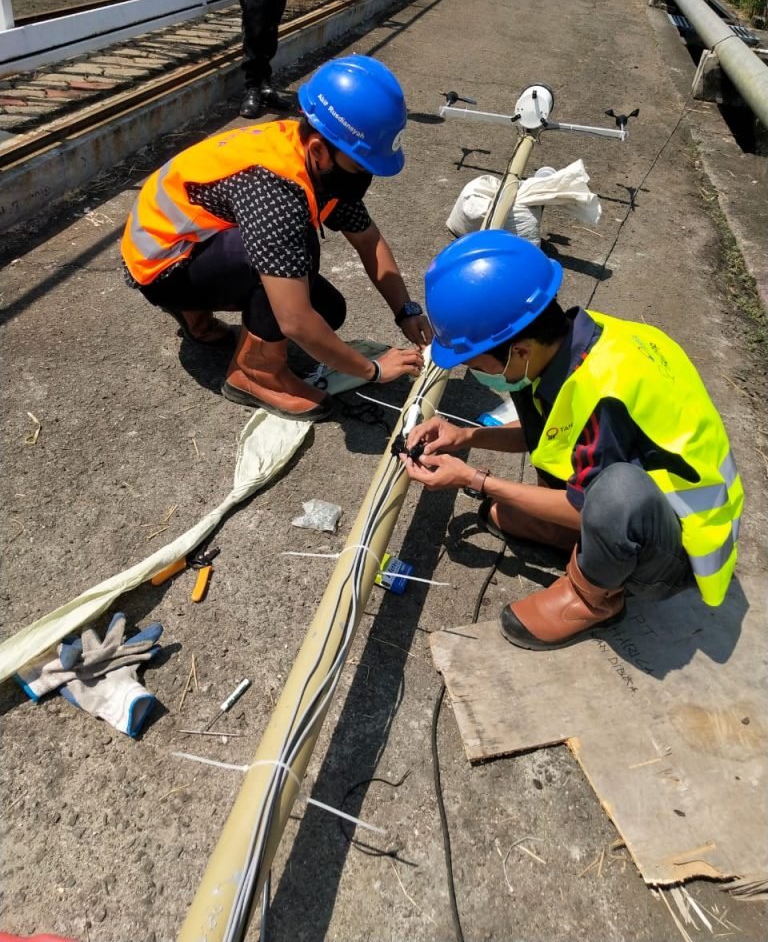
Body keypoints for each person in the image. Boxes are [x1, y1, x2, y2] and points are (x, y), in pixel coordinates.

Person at [401, 230, 743, 649]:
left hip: (679, 547)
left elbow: (601, 501)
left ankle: (594, 599)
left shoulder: (603, 390)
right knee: (538, 422)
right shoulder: (568, 344)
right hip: (644, 500)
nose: (472, 371)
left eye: (473, 361)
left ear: (520, 349)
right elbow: (554, 435)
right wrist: (466, 435)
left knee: (617, 493)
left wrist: (473, 479)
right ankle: (575, 537)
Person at [121, 55, 431, 421]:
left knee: (328, 310)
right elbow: (295, 321)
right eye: (362, 166)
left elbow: (367, 239)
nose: (365, 177)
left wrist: (405, 311)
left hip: (186, 244)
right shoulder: (277, 190)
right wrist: (372, 370)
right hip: (162, 267)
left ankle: (196, 314)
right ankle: (255, 374)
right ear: (319, 150)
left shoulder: (313, 157)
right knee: (297, 268)